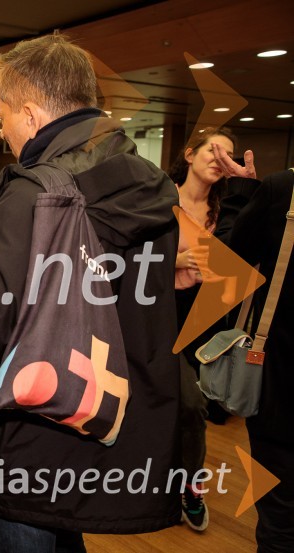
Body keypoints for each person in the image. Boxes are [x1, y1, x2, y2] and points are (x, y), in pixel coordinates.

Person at [0, 34, 181, 551]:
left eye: (2, 117)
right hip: (100, 426)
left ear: (29, 115)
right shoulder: (151, 186)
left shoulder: (32, 195)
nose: (3, 133)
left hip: (31, 433)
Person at [210, 149, 293, 552]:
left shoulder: (284, 191)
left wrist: (241, 192)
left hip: (283, 398)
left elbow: (225, 261)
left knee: (281, 520)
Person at [167, 127, 247, 531]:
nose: (220, 159)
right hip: (163, 314)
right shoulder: (161, 199)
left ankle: (186, 486)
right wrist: (173, 262)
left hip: (207, 321)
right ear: (189, 154)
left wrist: (244, 187)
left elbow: (237, 259)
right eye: (213, 150)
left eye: (228, 155)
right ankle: (185, 488)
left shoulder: (225, 213)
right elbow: (129, 253)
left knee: (192, 407)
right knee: (189, 405)